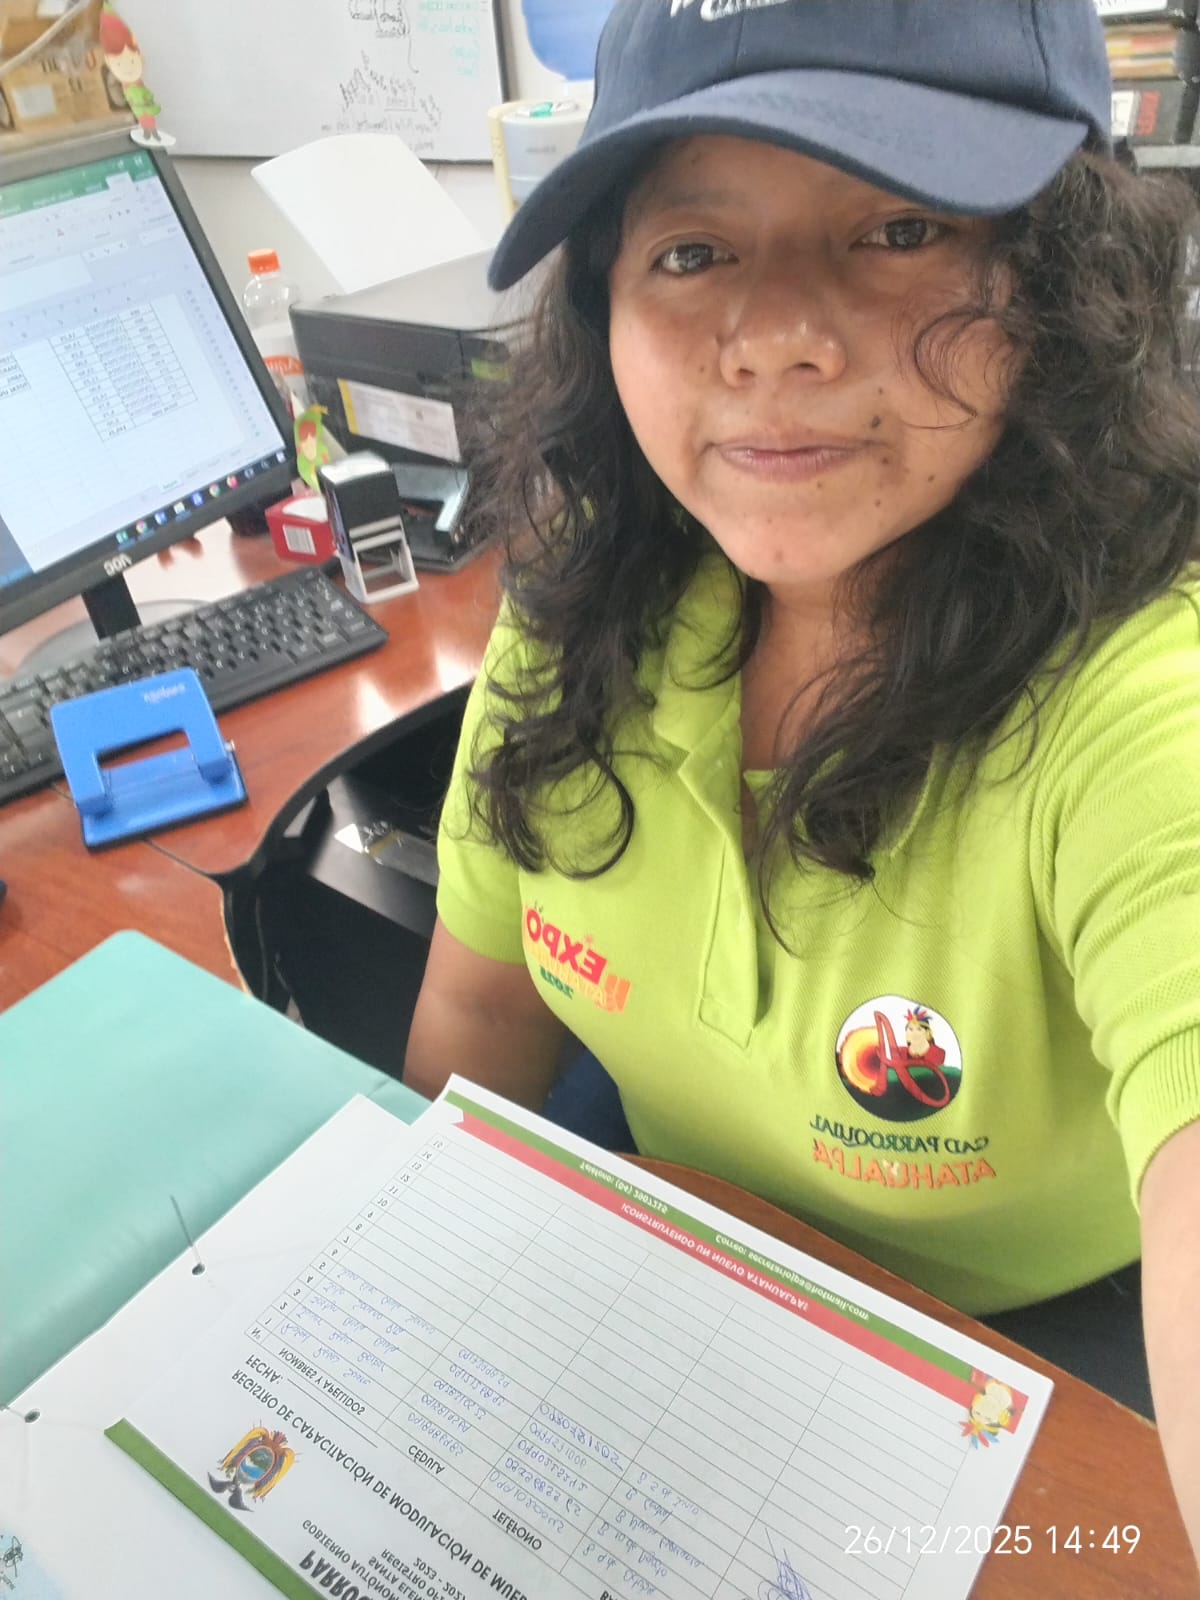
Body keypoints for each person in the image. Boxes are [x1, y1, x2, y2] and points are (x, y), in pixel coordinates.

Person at [403, 0, 1200, 1556]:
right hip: (675, 1274)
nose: (775, 336)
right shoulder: (581, 604)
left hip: (1024, 1352)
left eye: (900, 230)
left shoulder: (1139, 697)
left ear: (1061, 282)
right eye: (693, 252)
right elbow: (483, 1013)